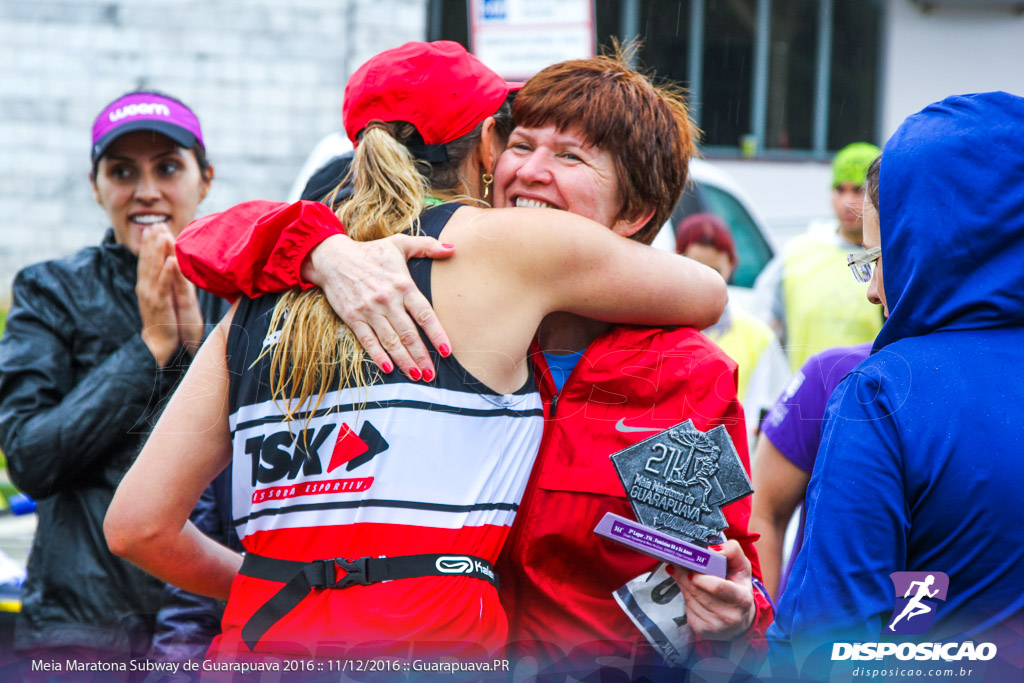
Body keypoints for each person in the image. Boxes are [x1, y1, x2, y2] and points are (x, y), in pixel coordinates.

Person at [104, 41, 730, 662]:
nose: (532, 168)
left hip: (260, 642)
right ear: (488, 142)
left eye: (568, 156)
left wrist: (281, 583)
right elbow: (706, 292)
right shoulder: (515, 248)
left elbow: (136, 527)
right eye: (518, 140)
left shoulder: (264, 291)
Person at [767, 92, 1024, 681]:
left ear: (935, 248)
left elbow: (825, 647)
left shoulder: (886, 393)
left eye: (881, 256)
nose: (873, 288)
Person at [0, 91, 231, 665]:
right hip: (78, 631)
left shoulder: (240, 297)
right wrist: (152, 342)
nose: (146, 190)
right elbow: (30, 459)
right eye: (122, 171)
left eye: (168, 168)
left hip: (205, 629)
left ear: (204, 180)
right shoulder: (51, 290)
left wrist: (200, 350)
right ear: (95, 184)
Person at [748, 340, 870, 601]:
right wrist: (757, 635)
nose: (872, 296)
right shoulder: (833, 371)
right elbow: (764, 515)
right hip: (812, 634)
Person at [753, 142, 884, 371]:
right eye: (839, 189)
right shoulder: (797, 253)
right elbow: (765, 325)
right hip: (809, 395)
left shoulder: (889, 260)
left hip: (866, 396)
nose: (846, 202)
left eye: (857, 190)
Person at [675, 213, 789, 453]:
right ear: (677, 263)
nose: (707, 280)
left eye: (715, 271)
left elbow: (778, 411)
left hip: (731, 469)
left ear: (731, 265)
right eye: (696, 268)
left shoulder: (758, 336)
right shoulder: (659, 328)